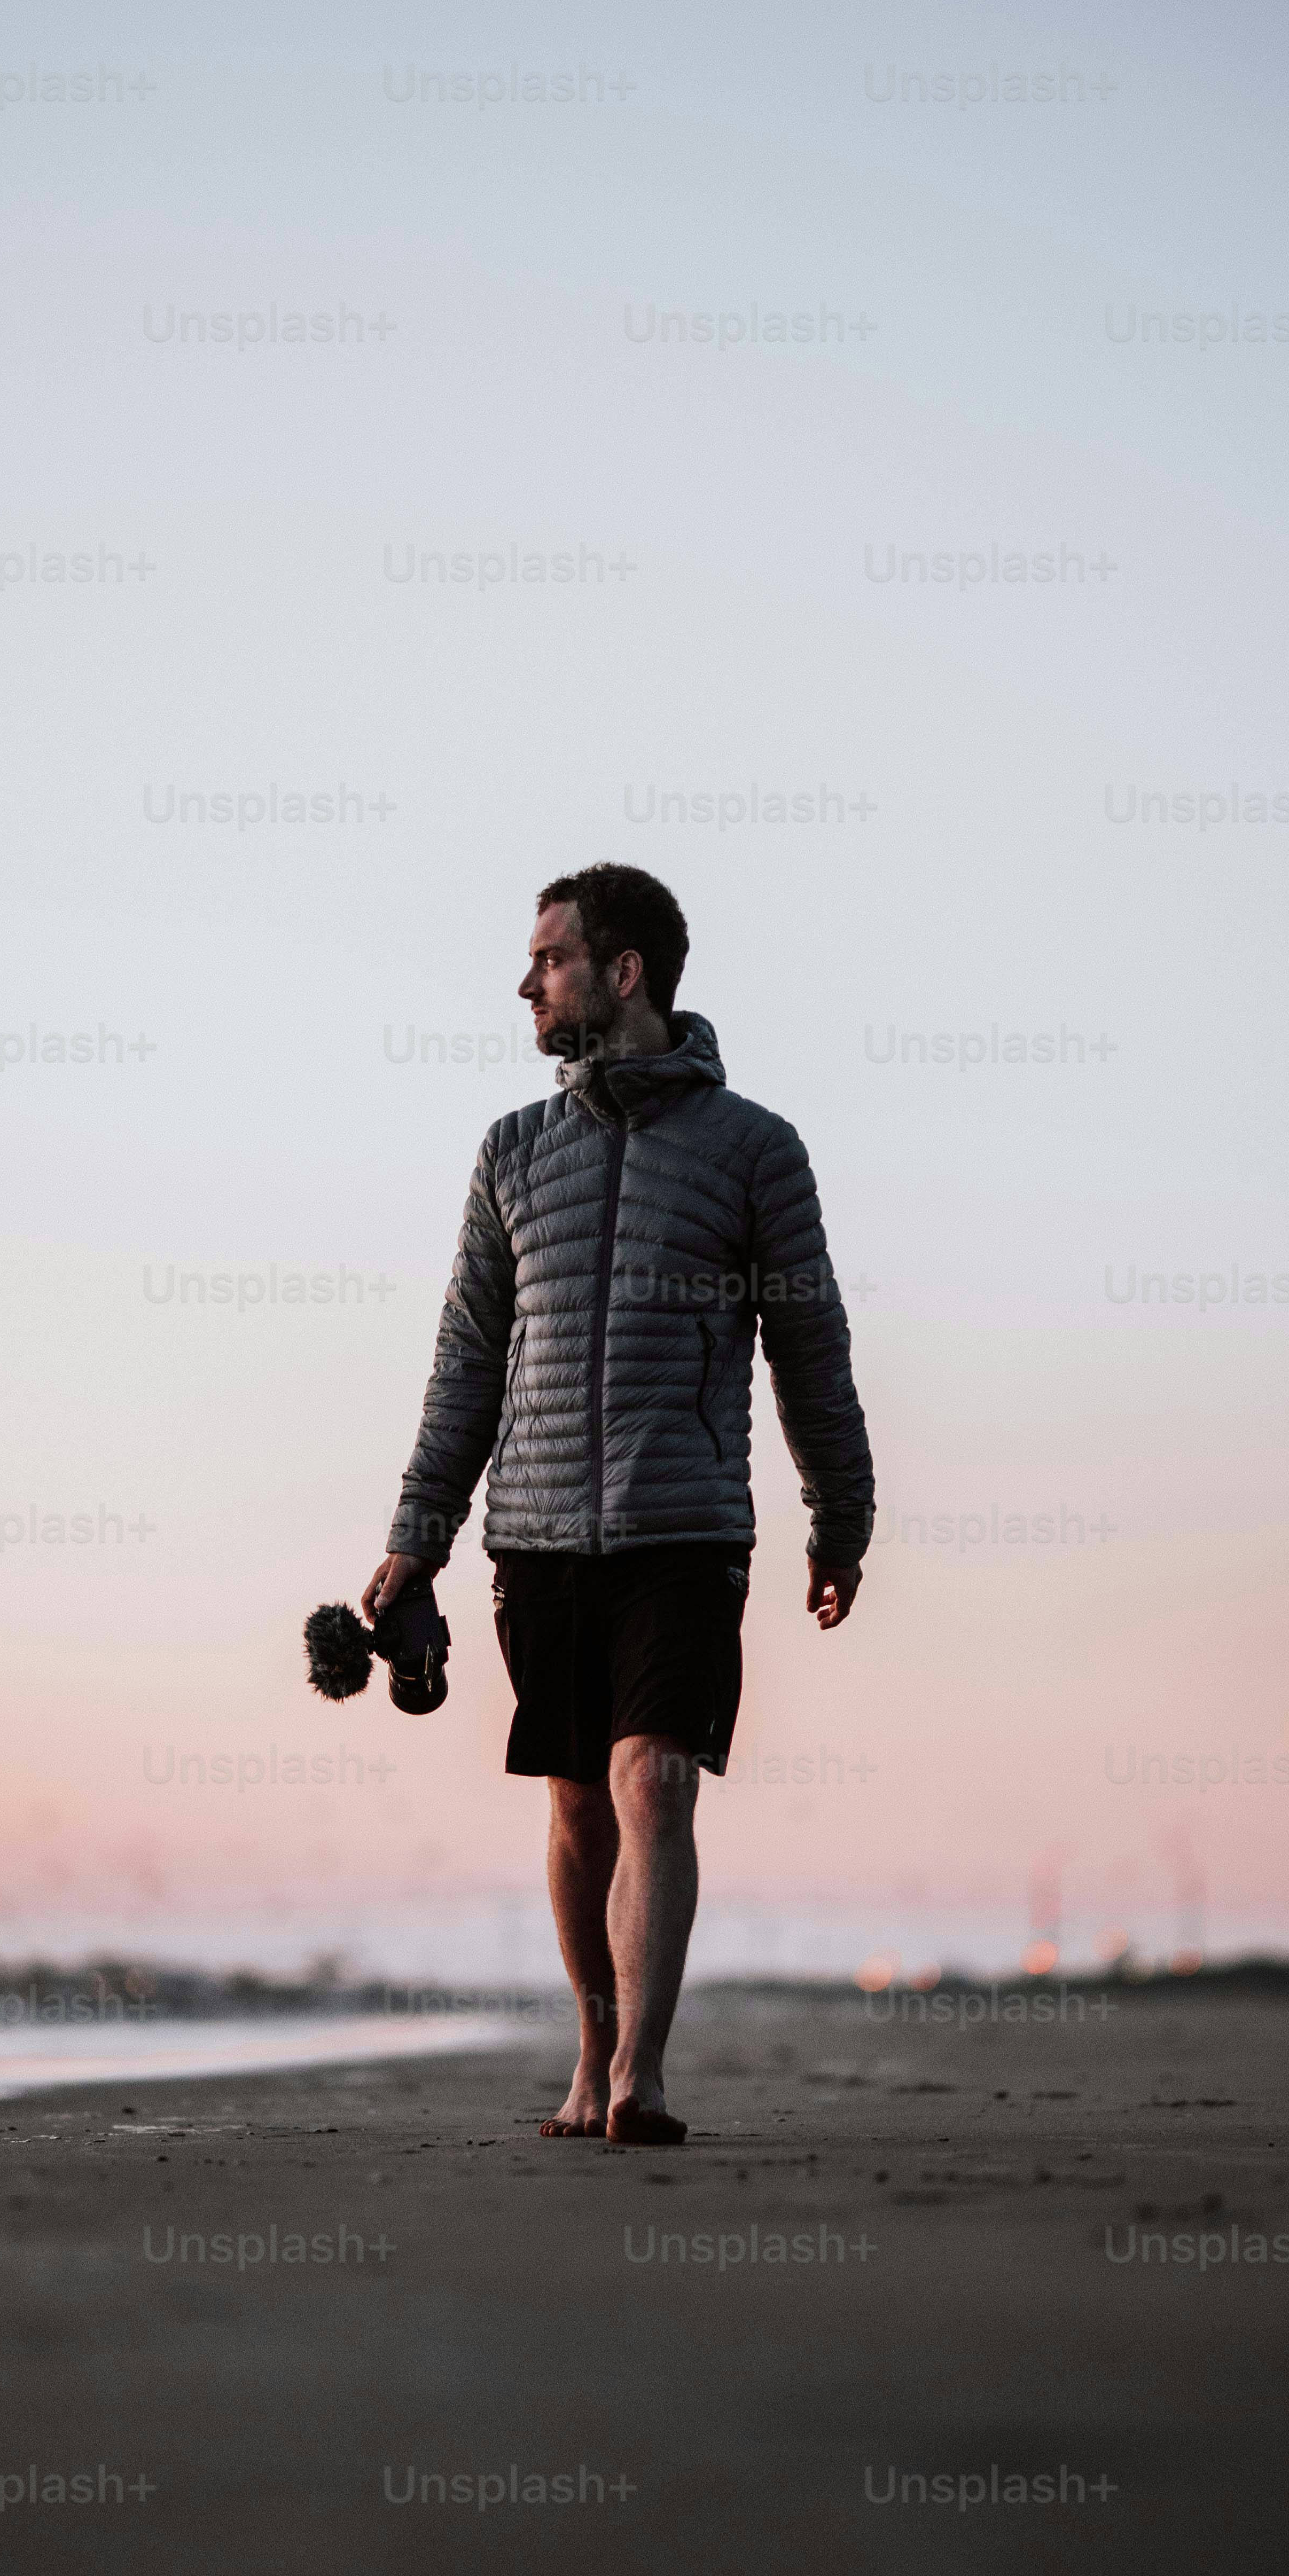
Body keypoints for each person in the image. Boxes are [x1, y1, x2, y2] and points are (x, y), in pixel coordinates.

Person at [363, 866, 873, 2145]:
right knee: (577, 1801)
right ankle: (588, 2056)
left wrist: (840, 1513)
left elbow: (808, 1345)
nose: (526, 984)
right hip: (535, 1533)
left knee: (652, 1780)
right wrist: (416, 1537)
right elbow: (466, 1358)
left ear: (623, 971)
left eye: (548, 959)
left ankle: (640, 2076)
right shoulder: (511, 1155)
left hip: (685, 1527)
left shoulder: (755, 1150)